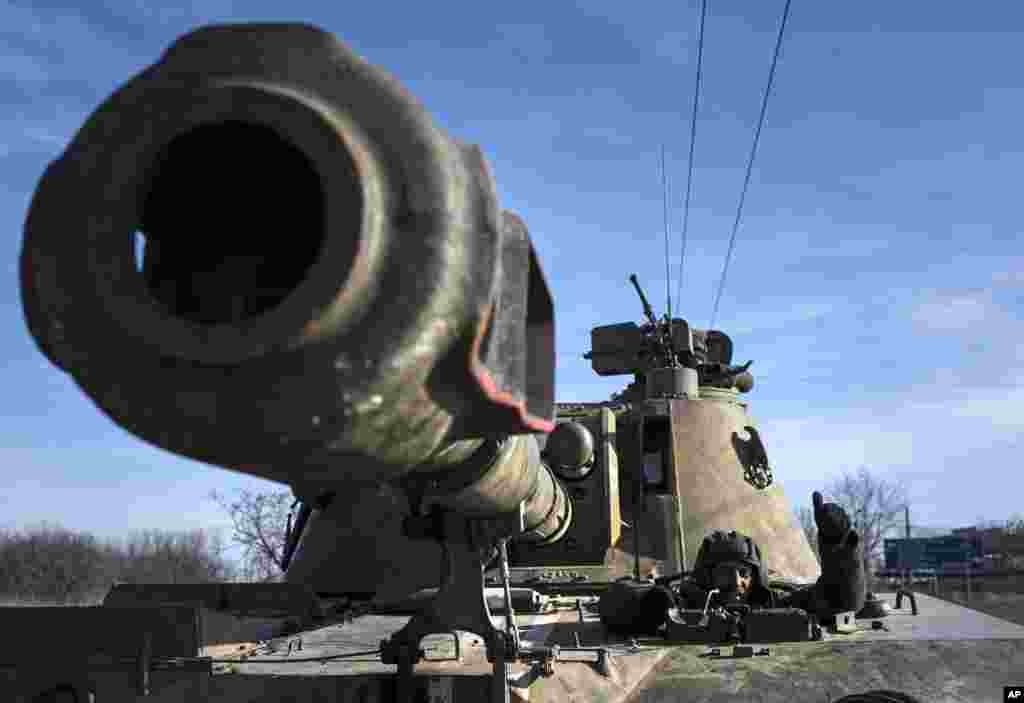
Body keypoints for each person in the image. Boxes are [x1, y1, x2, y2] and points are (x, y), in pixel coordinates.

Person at [599, 491, 866, 634]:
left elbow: (841, 601)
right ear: (707, 576)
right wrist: (653, 604)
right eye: (726, 573)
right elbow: (615, 604)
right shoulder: (683, 604)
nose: (737, 583)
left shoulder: (775, 603)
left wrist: (836, 543)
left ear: (756, 576)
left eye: (744, 573)